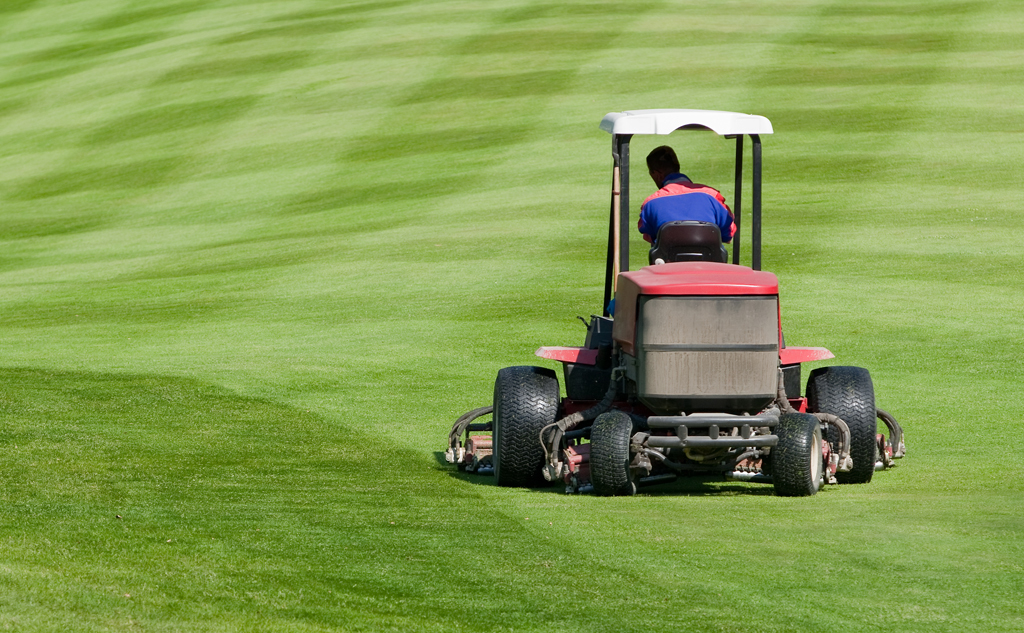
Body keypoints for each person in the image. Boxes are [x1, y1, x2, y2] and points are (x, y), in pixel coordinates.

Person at [638, 146, 736, 245]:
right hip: (708, 258)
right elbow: (728, 235)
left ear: (657, 174)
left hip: (669, 259)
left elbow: (649, 236)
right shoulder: (712, 196)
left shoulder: (650, 203)